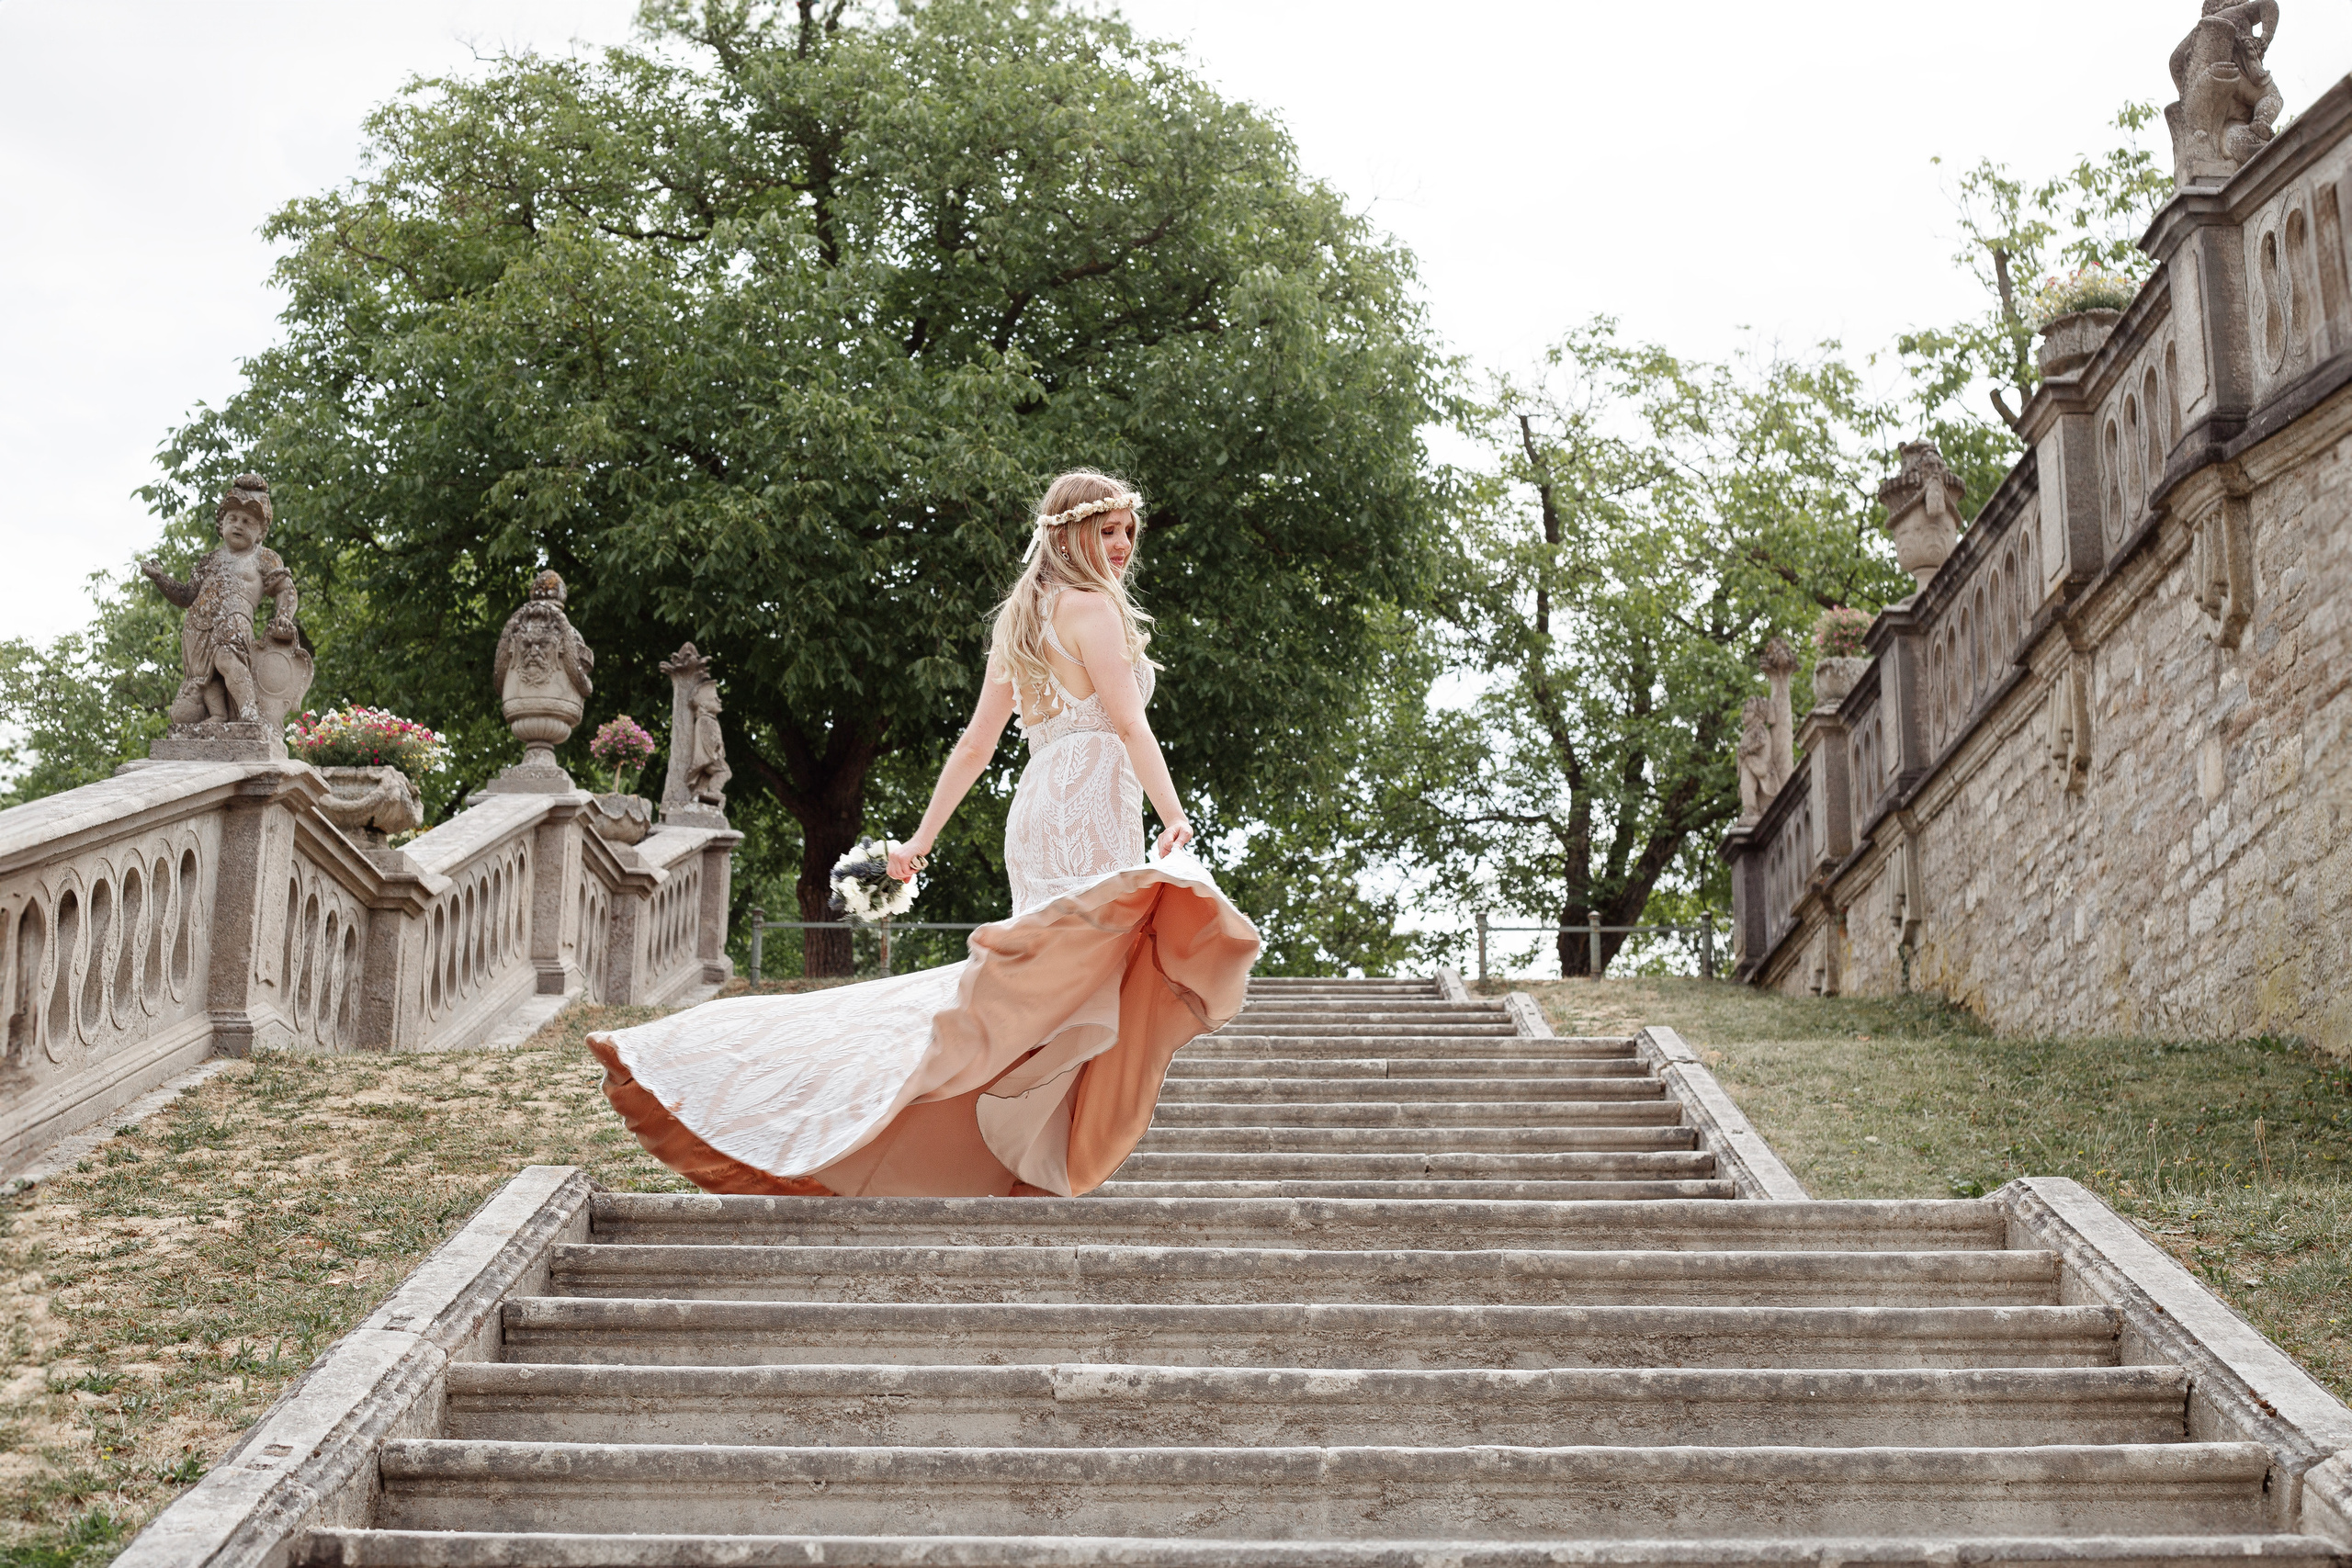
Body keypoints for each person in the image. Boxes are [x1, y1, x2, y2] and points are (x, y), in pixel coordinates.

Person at [586, 469, 1261, 1197]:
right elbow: (1129, 722)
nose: (1124, 544)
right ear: (1070, 533)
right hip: (1087, 804)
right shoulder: (1093, 609)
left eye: (1129, 530)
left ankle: (1017, 1150)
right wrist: (1172, 812)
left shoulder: (1024, 619)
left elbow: (976, 745)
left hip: (1041, 808)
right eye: (1108, 529)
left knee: (1048, 988)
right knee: (1061, 984)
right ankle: (1021, 1152)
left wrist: (918, 841)